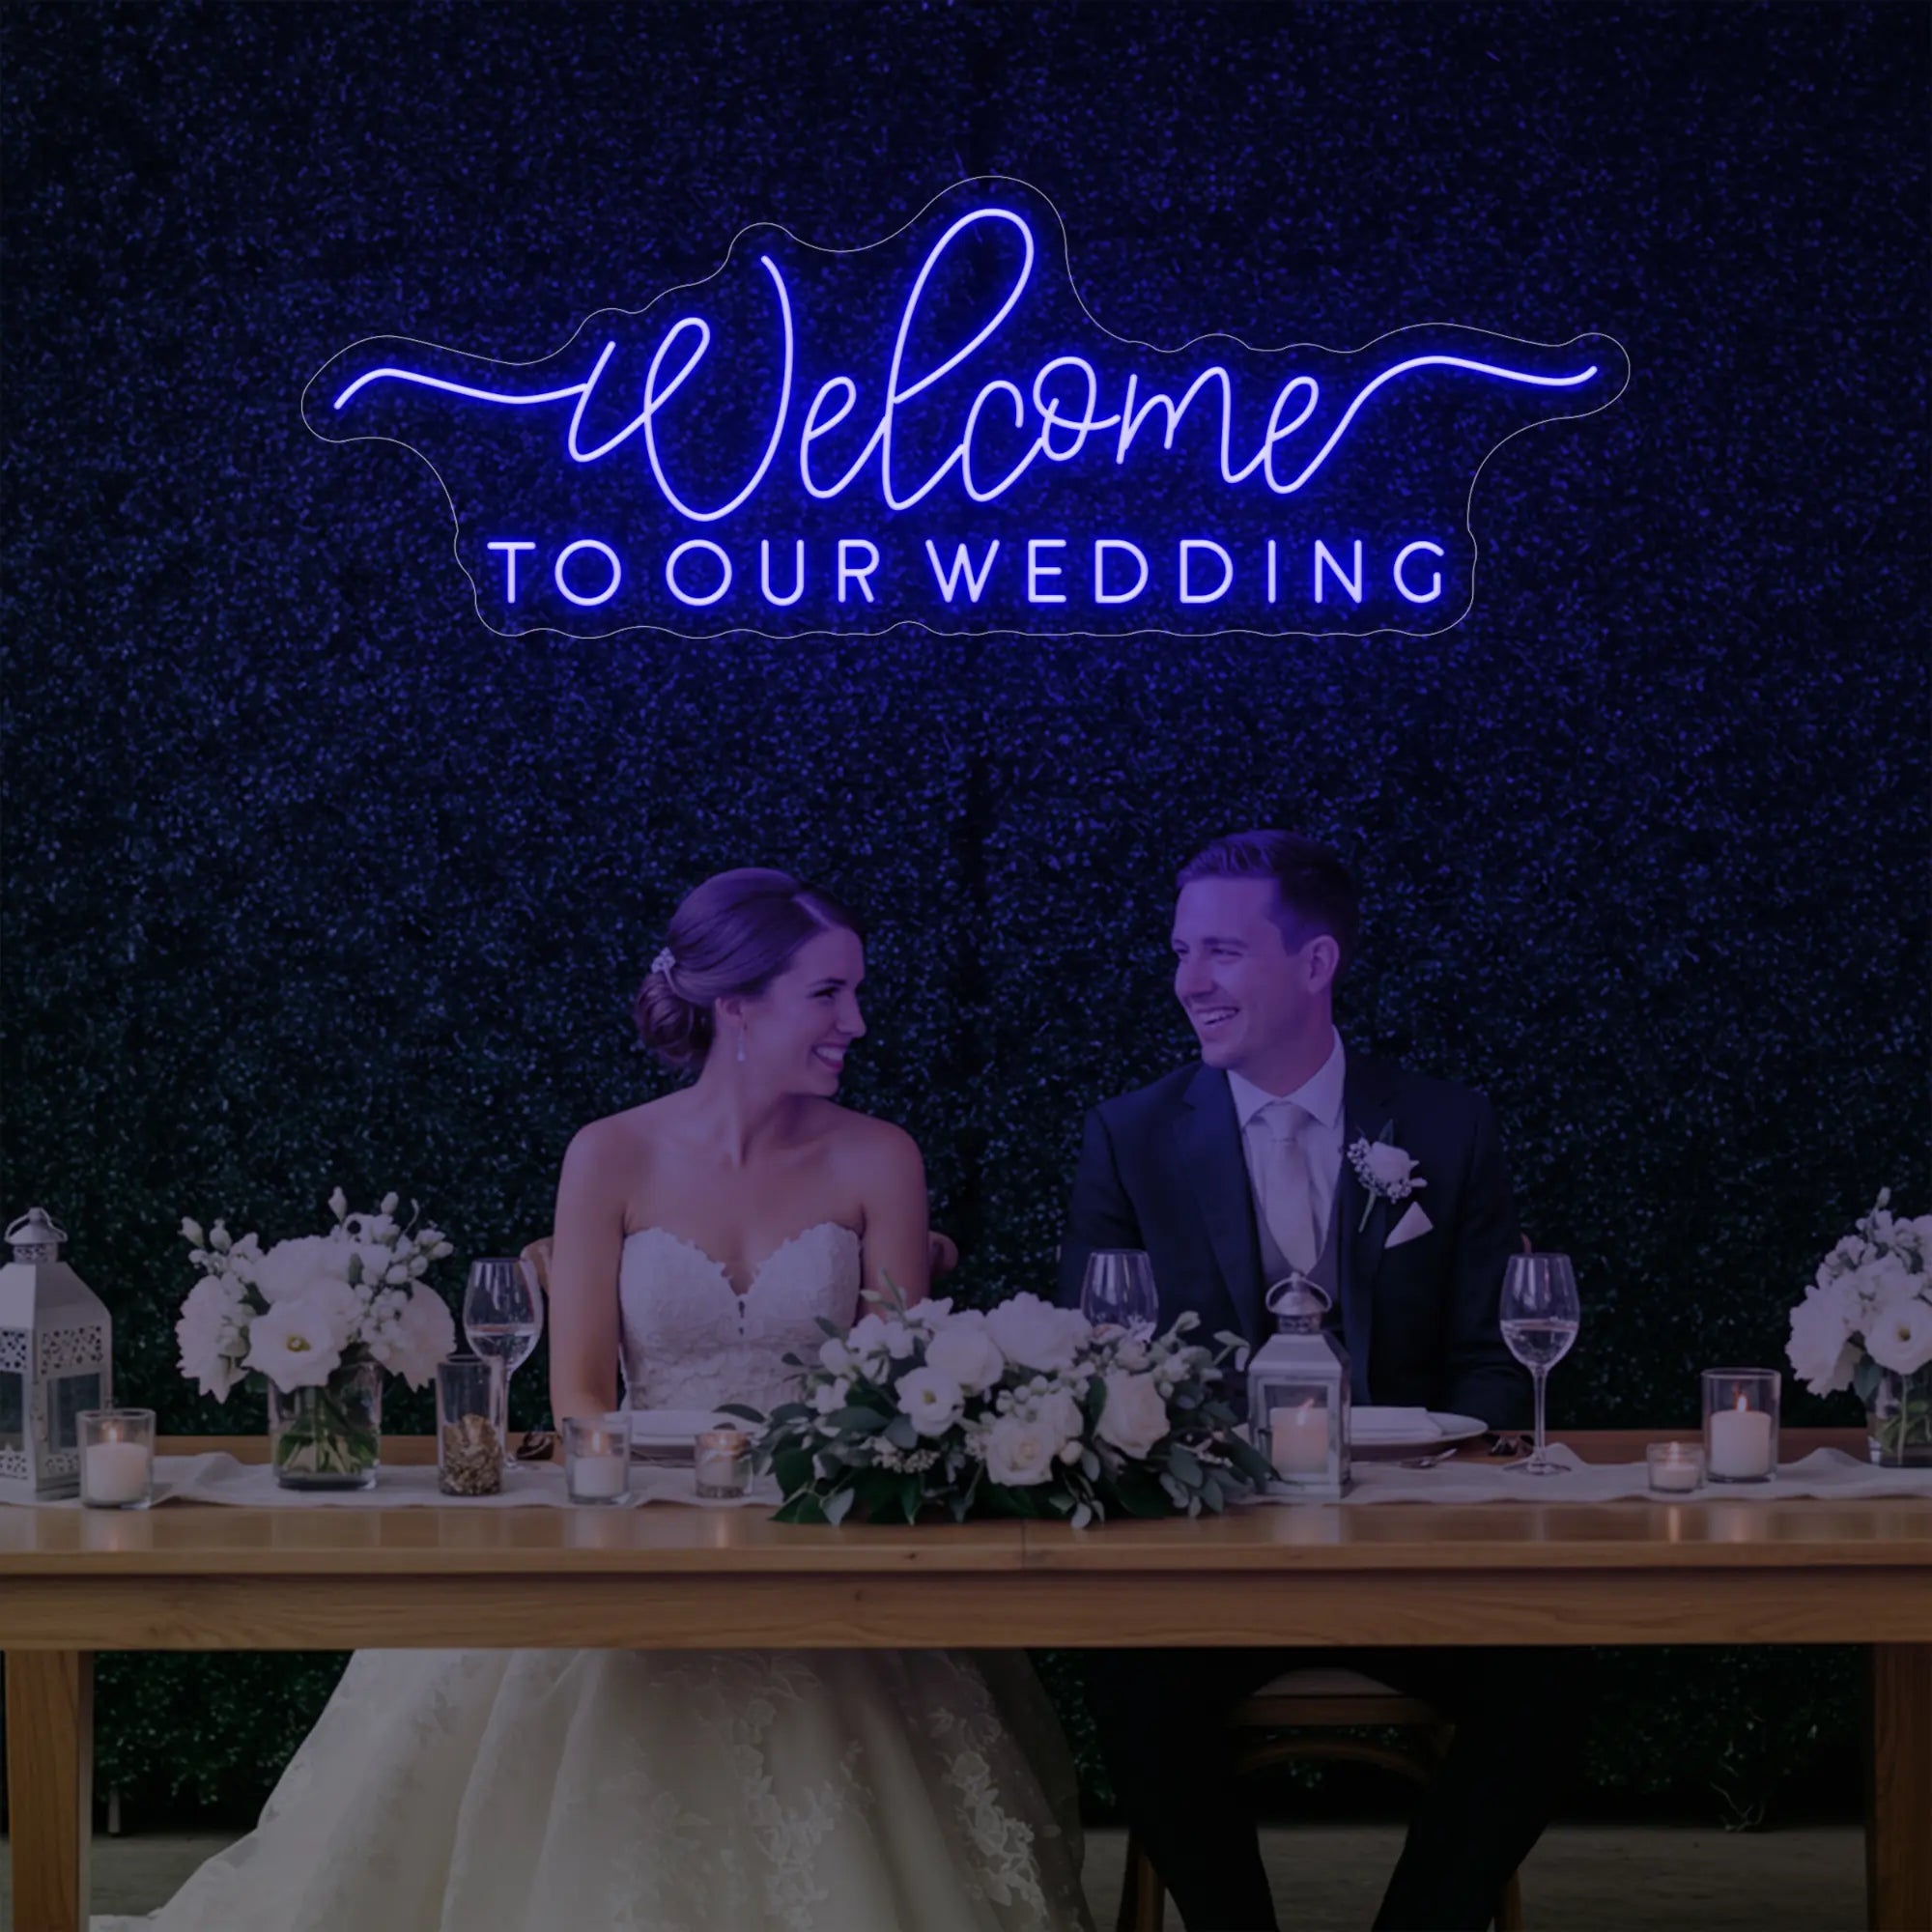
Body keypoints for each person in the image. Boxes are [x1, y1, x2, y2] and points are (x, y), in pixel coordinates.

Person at [109, 868, 1090, 1932]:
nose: (855, 1019)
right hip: (625, 1508)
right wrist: (643, 1508)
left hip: (814, 1528)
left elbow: (887, 1391)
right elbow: (578, 1387)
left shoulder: (880, 1156)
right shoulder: (609, 1152)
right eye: (828, 992)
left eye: (854, 991)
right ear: (736, 1005)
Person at [1058, 830, 1575, 1932]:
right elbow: (1101, 1362)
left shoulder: (1442, 1123)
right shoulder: (1131, 1135)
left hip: (1419, 1552)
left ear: (1314, 963)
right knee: (1130, 1679)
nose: (1187, 981)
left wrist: (1426, 1465)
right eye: (1179, 951)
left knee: (1549, 1679)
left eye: (1220, 953)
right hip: (1210, 1563)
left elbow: (1492, 1356)